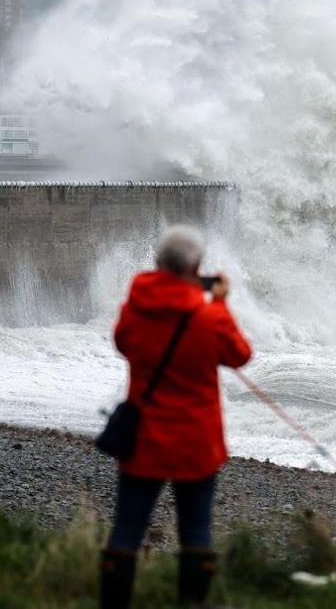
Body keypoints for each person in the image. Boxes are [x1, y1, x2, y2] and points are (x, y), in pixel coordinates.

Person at [102, 225, 253, 608]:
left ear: (157, 263)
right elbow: (239, 355)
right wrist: (218, 302)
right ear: (196, 266)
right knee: (196, 529)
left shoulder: (137, 305)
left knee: (127, 528)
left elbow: (122, 342)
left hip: (144, 438)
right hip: (195, 440)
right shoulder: (208, 317)